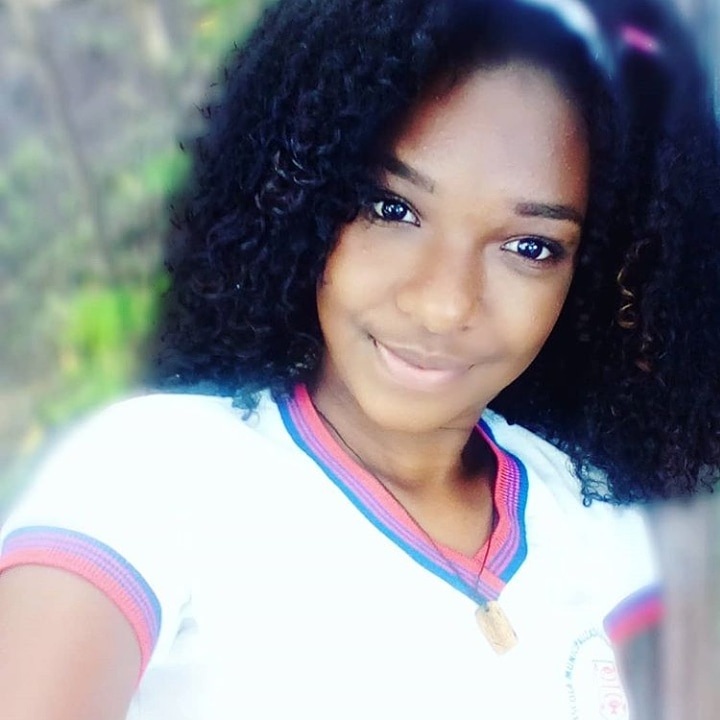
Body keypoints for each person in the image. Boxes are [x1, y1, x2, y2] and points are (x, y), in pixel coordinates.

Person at [1, 0, 719, 717]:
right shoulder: (156, 473)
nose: (443, 304)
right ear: (299, 197)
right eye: (392, 209)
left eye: (529, 247)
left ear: (597, 276)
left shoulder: (596, 521)